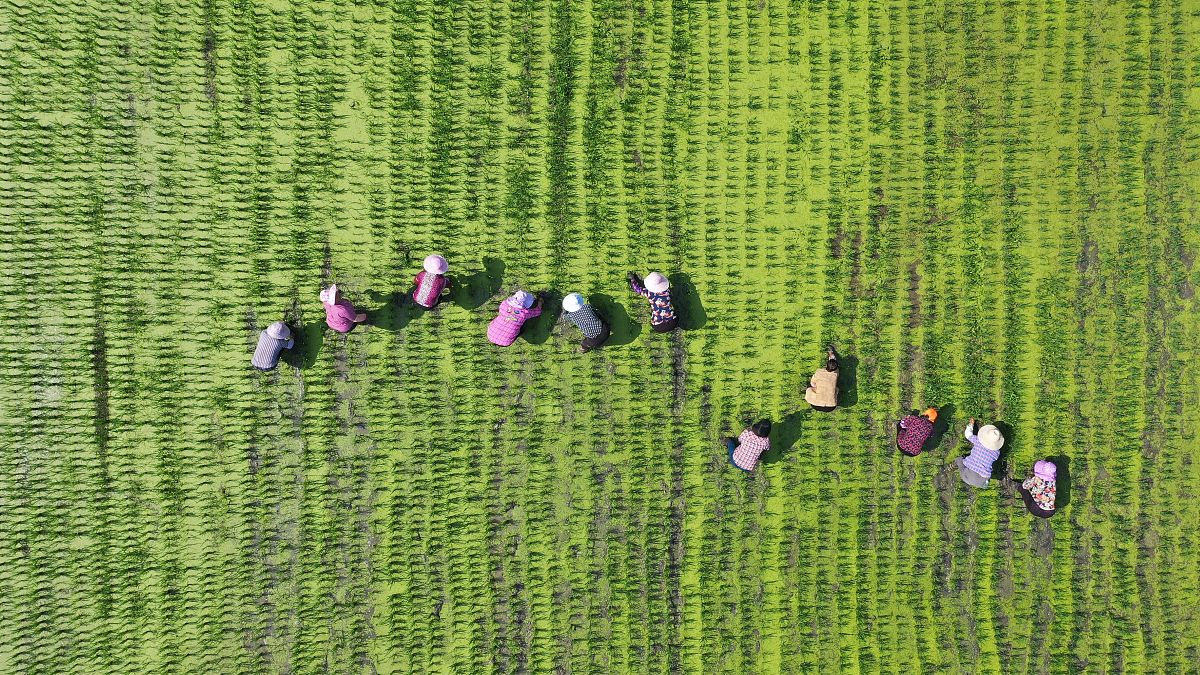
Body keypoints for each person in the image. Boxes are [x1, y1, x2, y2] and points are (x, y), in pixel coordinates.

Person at [955, 418, 1004, 487]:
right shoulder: (996, 452)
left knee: (959, 459)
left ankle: (953, 465)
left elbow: (968, 434)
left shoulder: (979, 441)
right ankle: (983, 484)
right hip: (983, 478)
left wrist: (971, 425)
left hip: (967, 475)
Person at [804, 346, 840, 411]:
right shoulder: (835, 375)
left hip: (815, 405)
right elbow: (833, 361)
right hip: (831, 407)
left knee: (809, 389)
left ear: (826, 365)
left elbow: (812, 384)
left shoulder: (819, 372)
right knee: (836, 389)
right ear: (836, 368)